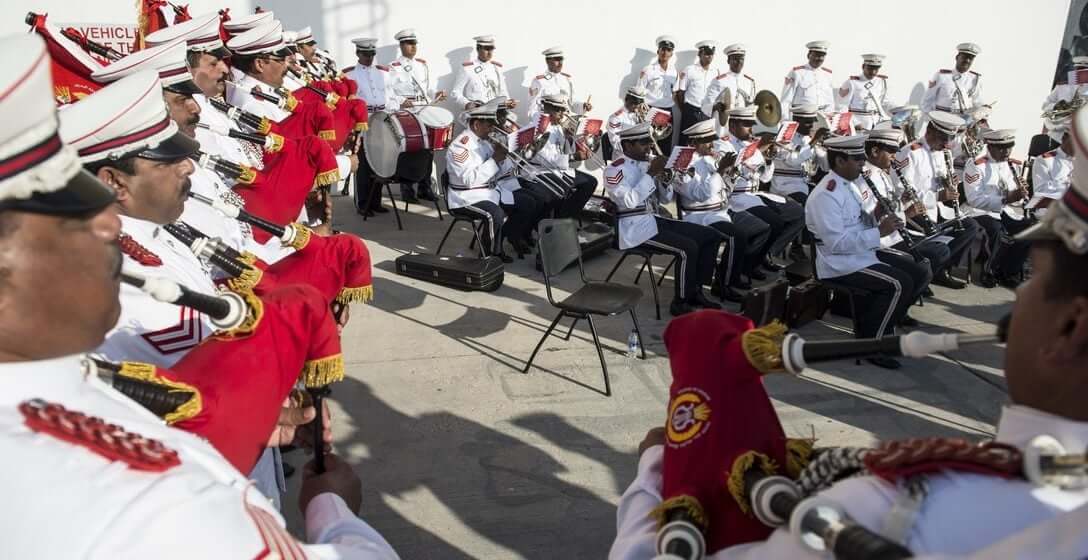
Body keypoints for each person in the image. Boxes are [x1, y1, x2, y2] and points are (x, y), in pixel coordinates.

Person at [0, 33, 398, 559]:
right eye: (68, 212)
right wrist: (334, 515)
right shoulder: (128, 496)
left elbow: (155, 381)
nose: (103, 222)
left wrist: (243, 403)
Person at [609, 125, 1088, 559]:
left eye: (1034, 280)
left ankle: (873, 331)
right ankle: (867, 332)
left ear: (1072, 326)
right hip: (705, 233)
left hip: (847, 248)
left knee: (908, 270)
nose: (1017, 294)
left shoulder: (886, 506)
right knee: (880, 268)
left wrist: (655, 471)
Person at [806, 135, 916, 367]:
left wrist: (876, 216)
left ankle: (880, 329)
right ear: (839, 161)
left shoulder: (849, 186)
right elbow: (837, 244)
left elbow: (857, 223)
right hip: (838, 264)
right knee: (898, 284)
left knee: (914, 269)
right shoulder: (826, 194)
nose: (862, 164)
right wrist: (880, 232)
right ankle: (871, 345)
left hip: (859, 254)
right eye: (856, 159)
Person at [604, 122, 722, 316]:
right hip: (634, 228)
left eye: (649, 142)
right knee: (687, 248)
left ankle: (697, 291)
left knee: (710, 236)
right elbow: (629, 201)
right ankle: (681, 302)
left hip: (654, 219)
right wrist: (651, 174)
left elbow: (666, 199)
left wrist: (666, 178)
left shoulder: (647, 163)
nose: (649, 147)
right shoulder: (615, 170)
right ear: (627, 146)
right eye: (643, 143)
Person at [674, 120, 770, 302]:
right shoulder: (683, 164)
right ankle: (723, 285)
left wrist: (730, 173)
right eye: (707, 141)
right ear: (693, 143)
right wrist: (719, 172)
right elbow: (701, 194)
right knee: (737, 237)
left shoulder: (710, 159)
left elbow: (725, 190)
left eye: (712, 139)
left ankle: (730, 277)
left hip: (719, 212)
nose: (712, 144)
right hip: (698, 216)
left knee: (753, 231)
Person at [893, 110, 981, 288]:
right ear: (930, 131)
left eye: (949, 139)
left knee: (970, 227)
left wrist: (948, 182)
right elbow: (902, 190)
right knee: (938, 242)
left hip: (936, 209)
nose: (947, 144)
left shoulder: (942, 153)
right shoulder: (910, 153)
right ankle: (922, 275)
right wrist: (938, 195)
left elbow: (937, 181)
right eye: (943, 139)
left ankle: (938, 270)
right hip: (913, 212)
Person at [445, 101, 538, 262]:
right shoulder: (460, 147)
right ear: (476, 124)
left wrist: (509, 155)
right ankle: (490, 255)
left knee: (528, 202)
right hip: (465, 197)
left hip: (489, 191)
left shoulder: (485, 142)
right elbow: (468, 180)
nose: (492, 130)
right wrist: (495, 159)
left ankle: (508, 237)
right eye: (489, 126)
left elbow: (499, 172)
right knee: (495, 213)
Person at [866, 127, 952, 300]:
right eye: (890, 152)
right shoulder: (866, 177)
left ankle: (908, 297)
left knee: (939, 250)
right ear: (875, 151)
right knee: (922, 267)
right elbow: (867, 218)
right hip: (880, 241)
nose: (893, 157)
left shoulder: (882, 174)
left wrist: (905, 206)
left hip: (894, 234)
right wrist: (907, 213)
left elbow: (893, 207)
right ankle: (901, 305)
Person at [718, 106, 806, 272]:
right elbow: (728, 179)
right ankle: (749, 264)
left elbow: (765, 178)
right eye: (746, 124)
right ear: (733, 126)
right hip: (735, 198)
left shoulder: (752, 145)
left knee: (797, 212)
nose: (751, 129)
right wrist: (757, 151)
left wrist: (768, 158)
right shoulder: (723, 145)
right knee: (774, 223)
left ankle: (763, 255)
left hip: (754, 195)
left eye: (752, 124)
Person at [963, 129, 1034, 288]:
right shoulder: (976, 166)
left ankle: (1008, 271)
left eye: (1009, 147)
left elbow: (1012, 197)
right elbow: (974, 199)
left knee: (1030, 229)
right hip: (979, 211)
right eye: (1002, 148)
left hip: (1004, 210)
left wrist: (1018, 194)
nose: (1007, 152)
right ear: (991, 147)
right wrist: (1006, 198)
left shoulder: (1012, 165)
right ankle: (987, 270)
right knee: (996, 230)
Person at [387, 28, 446, 203]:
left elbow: (428, 88)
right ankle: (407, 189)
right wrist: (399, 100)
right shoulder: (394, 67)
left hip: (424, 109)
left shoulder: (422, 65)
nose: (413, 47)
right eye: (409, 44)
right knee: (409, 149)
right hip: (407, 112)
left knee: (428, 149)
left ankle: (424, 186)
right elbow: (389, 91)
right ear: (402, 45)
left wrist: (437, 94)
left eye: (414, 44)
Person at [526, 94, 598, 220]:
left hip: (559, 169)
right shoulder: (538, 127)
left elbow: (564, 150)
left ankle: (565, 217)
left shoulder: (557, 126)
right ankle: (549, 222)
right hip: (540, 171)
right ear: (547, 108)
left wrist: (569, 138)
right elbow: (545, 159)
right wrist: (572, 157)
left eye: (563, 110)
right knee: (558, 190)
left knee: (590, 182)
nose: (562, 114)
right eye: (558, 110)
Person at [344, 38, 391, 216]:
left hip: (381, 120)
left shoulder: (384, 73)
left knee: (379, 163)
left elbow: (392, 95)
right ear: (357, 53)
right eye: (365, 54)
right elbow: (346, 104)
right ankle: (363, 203)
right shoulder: (349, 75)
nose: (369, 57)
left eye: (372, 54)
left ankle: (376, 201)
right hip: (362, 123)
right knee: (363, 165)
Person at [702, 43, 756, 132]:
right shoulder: (719, 81)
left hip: (742, 129)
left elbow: (751, 106)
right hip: (723, 128)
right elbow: (705, 106)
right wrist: (716, 107)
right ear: (728, 61)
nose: (739, 62)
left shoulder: (749, 81)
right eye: (735, 59)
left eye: (741, 59)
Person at [528, 46, 592, 120]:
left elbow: (572, 104)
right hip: (548, 126)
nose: (560, 63)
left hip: (566, 123)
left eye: (562, 60)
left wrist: (583, 106)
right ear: (548, 61)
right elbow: (532, 109)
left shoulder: (567, 80)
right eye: (557, 60)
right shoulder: (539, 81)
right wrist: (548, 118)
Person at [675, 40, 720, 144]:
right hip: (691, 111)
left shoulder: (715, 72)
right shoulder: (689, 70)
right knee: (686, 142)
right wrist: (686, 110)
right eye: (707, 54)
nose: (709, 57)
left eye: (711, 54)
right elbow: (680, 93)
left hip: (707, 113)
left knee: (704, 143)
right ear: (700, 54)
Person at [451, 35, 513, 110]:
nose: (490, 52)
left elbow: (503, 91)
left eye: (492, 49)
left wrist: (508, 102)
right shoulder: (467, 68)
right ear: (478, 49)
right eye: (487, 49)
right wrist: (467, 104)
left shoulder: (497, 68)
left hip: (495, 112)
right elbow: (455, 93)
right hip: (476, 112)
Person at [922, 43, 984, 116]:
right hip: (941, 118)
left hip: (962, 121)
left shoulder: (975, 79)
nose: (967, 60)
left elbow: (977, 102)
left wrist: (982, 111)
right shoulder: (941, 76)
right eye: (965, 57)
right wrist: (932, 117)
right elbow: (927, 100)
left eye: (971, 58)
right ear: (957, 57)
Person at [1031, 119, 1075, 218]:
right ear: (1064, 138)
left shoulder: (1082, 162)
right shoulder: (1044, 160)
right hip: (1051, 212)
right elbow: (1042, 195)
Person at [836, 53, 892, 131]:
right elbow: (842, 106)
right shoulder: (851, 83)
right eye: (870, 68)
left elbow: (885, 103)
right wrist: (854, 123)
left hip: (877, 122)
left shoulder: (882, 82)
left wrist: (899, 110)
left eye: (876, 69)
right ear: (863, 67)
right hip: (859, 124)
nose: (873, 72)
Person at [780, 41, 834, 119]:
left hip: (823, 117)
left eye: (822, 56)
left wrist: (830, 116)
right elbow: (785, 100)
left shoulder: (827, 74)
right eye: (817, 55)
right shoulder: (797, 72)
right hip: (802, 117)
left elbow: (829, 100)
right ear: (809, 55)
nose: (819, 59)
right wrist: (785, 120)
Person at [635, 35, 679, 124]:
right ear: (658, 51)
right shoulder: (648, 70)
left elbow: (675, 93)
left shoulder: (674, 72)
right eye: (663, 49)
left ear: (671, 54)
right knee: (649, 138)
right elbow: (639, 92)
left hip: (668, 111)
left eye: (668, 50)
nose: (665, 53)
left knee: (667, 137)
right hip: (651, 109)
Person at [606, 86, 652, 160]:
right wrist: (635, 149)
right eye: (635, 104)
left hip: (640, 153)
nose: (637, 107)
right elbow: (615, 142)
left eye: (638, 104)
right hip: (624, 157)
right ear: (628, 101)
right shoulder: (615, 118)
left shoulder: (639, 113)